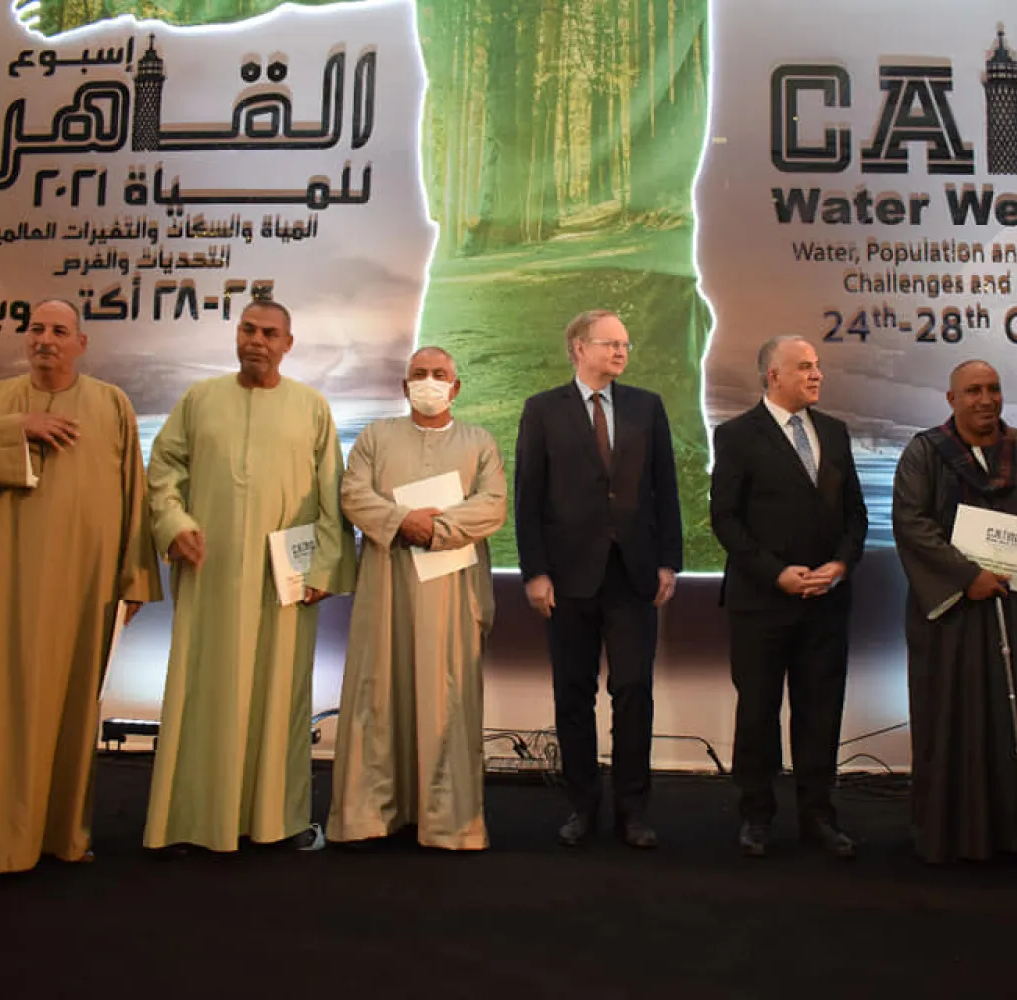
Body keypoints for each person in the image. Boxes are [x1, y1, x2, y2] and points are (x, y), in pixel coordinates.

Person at [0, 299, 162, 876]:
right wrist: (17, 429)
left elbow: (136, 494)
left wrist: (133, 578)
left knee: (73, 703)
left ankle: (61, 835)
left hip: (85, 587)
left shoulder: (111, 403)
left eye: (59, 330)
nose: (46, 339)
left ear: (81, 343)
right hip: (4, 582)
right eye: (36, 329)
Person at [143, 299, 356, 853]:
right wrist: (173, 523)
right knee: (203, 689)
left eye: (269, 333)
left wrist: (324, 567)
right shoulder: (199, 400)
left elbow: (333, 493)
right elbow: (163, 470)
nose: (256, 340)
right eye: (248, 329)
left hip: (283, 581)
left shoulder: (312, 407)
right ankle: (194, 818)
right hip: (210, 574)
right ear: (236, 335)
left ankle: (274, 821)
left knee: (278, 693)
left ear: (288, 343)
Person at [891, 360, 1017, 864]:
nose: (986, 399)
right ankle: (958, 839)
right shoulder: (925, 453)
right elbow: (911, 523)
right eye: (973, 390)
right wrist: (965, 577)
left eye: (994, 389)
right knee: (955, 720)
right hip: (955, 619)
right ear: (951, 399)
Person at [514, 309, 682, 848]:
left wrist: (668, 561)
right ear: (578, 348)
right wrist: (535, 571)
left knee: (634, 690)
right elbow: (528, 498)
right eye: (610, 343)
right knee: (573, 694)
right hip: (567, 578)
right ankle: (582, 806)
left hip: (632, 575)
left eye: (625, 345)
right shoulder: (542, 410)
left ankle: (634, 810)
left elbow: (665, 488)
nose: (621, 352)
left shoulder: (646, 406)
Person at [327, 347, 507, 850]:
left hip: (452, 592)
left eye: (439, 374)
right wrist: (401, 522)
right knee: (378, 693)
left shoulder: (479, 442)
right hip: (386, 587)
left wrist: (437, 529)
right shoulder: (375, 437)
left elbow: (492, 506)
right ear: (405, 385)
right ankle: (369, 814)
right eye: (419, 374)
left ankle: (449, 820)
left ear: (457, 386)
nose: (429, 381)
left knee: (447, 697)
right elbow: (353, 493)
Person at [709, 336, 867, 859]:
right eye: (804, 367)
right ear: (773, 376)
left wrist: (840, 565)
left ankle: (819, 817)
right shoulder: (736, 436)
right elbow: (726, 520)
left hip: (826, 601)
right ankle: (756, 816)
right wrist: (777, 574)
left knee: (820, 712)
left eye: (817, 366)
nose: (816, 375)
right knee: (757, 712)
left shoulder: (835, 433)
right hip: (762, 602)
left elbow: (855, 516)